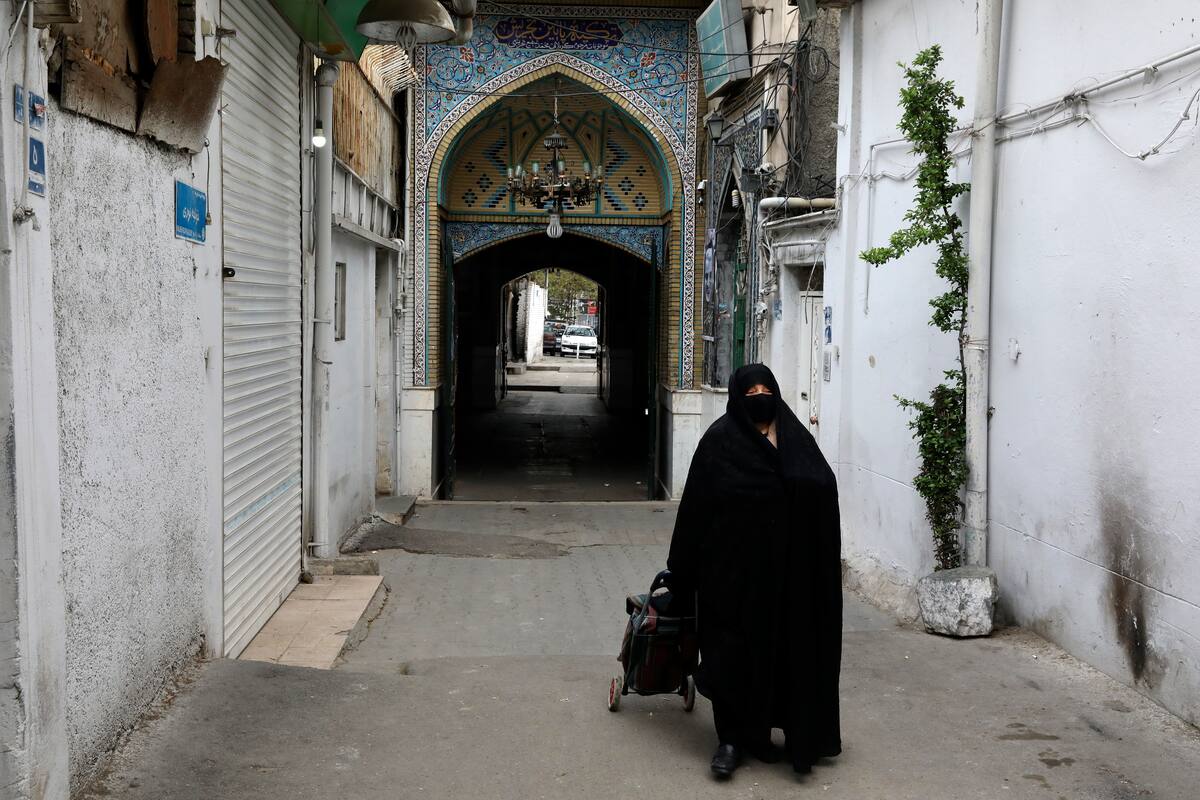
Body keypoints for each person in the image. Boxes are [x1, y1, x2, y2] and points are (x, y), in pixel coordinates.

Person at [667, 363, 842, 779]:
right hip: (731, 581)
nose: (760, 397)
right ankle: (731, 741)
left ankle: (789, 738)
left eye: (767, 389)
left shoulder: (796, 439)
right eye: (751, 392)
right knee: (731, 659)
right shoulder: (719, 443)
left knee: (788, 656)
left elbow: (822, 486)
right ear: (736, 397)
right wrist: (681, 574)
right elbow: (694, 511)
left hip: (789, 581)